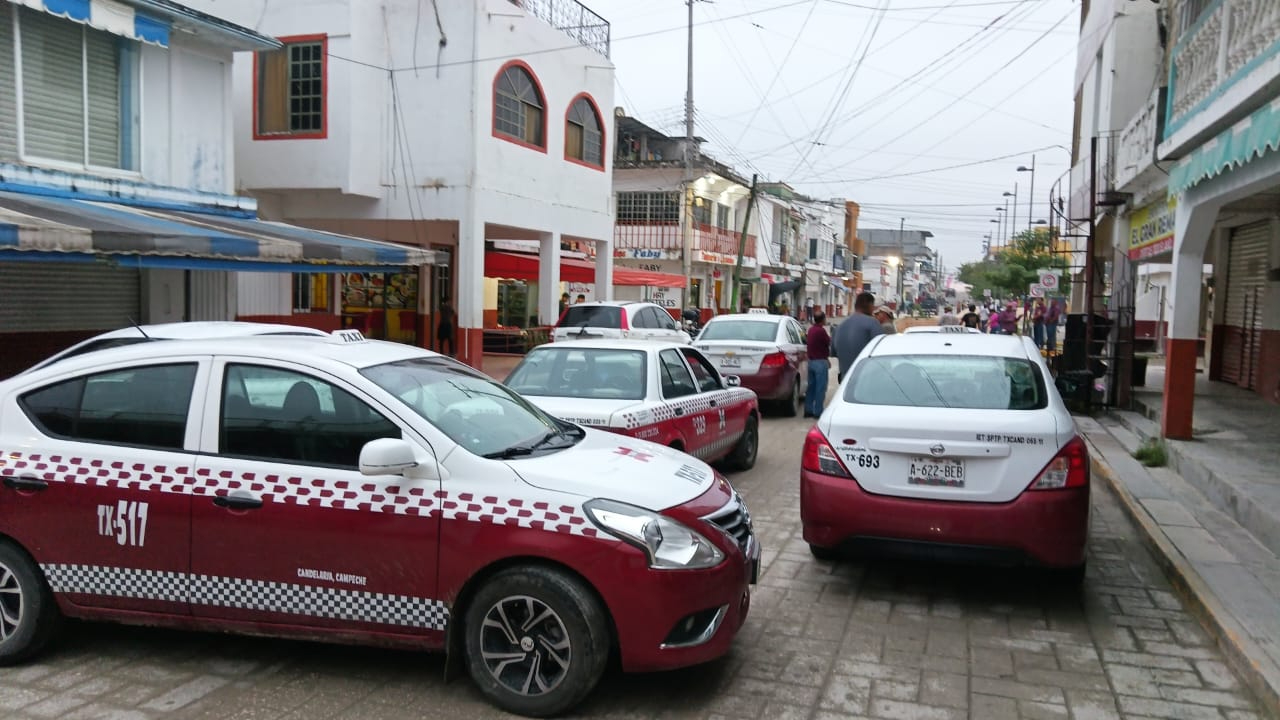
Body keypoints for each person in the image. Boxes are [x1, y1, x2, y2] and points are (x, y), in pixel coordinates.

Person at [834, 292, 883, 382]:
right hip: (866, 379)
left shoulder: (840, 326)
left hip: (845, 380)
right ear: (870, 305)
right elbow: (881, 351)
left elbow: (833, 352)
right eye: (873, 307)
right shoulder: (872, 323)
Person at [804, 311, 831, 418]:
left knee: (811, 387)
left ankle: (808, 409)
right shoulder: (821, 331)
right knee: (820, 388)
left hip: (811, 362)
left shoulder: (811, 330)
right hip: (820, 362)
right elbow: (828, 342)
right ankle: (818, 411)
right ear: (823, 319)